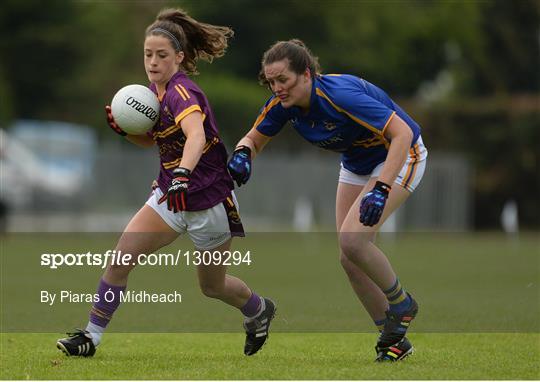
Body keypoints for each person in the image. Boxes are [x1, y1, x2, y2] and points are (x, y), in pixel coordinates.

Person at [57, 8, 275, 358]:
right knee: (120, 259)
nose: (153, 62)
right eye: (148, 54)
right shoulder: (150, 95)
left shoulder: (182, 92)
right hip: (169, 198)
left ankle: (258, 310)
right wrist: (126, 132)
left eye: (161, 55)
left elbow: (196, 137)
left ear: (179, 57)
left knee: (213, 287)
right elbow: (157, 140)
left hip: (208, 203)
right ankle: (90, 337)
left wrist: (183, 175)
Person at [228, 39, 427, 362]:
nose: (277, 88)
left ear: (306, 74)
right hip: (357, 164)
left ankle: (402, 304)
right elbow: (253, 138)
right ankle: (392, 341)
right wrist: (242, 154)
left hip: (402, 156)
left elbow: (402, 133)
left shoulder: (339, 96)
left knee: (352, 241)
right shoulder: (284, 105)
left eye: (283, 80)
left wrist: (383, 188)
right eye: (271, 82)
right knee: (349, 258)